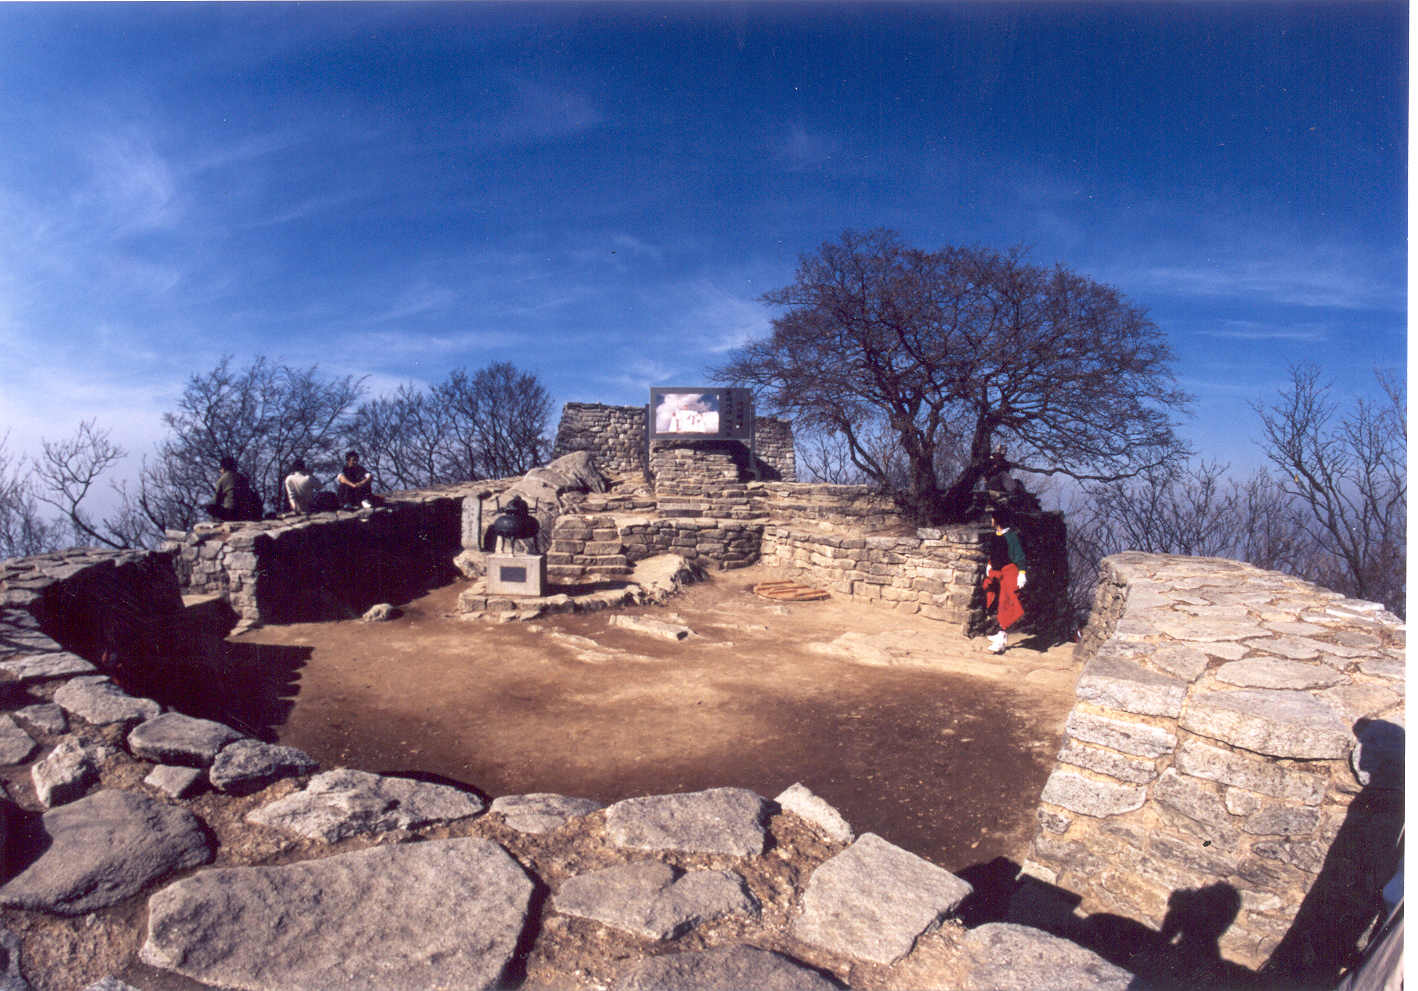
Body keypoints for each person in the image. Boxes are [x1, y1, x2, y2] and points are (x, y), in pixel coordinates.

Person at [982, 506, 1028, 653]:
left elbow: (1019, 556)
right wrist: (990, 565)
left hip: (1009, 572)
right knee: (996, 600)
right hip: (998, 573)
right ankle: (1000, 633)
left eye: (993, 518)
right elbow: (994, 553)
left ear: (998, 520)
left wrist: (1022, 573)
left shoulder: (1011, 537)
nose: (991, 520)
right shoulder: (996, 535)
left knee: (1006, 603)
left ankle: (1001, 639)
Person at [203, 456, 262, 522]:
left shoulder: (222, 479)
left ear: (223, 468)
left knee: (210, 507)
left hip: (231, 513)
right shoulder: (243, 478)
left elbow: (216, 500)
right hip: (245, 513)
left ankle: (217, 520)